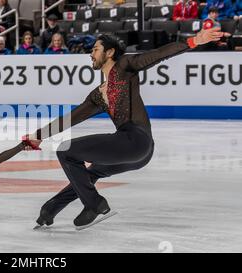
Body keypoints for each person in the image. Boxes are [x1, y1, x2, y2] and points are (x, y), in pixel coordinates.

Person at [24, 27, 225, 229]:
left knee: (66, 151)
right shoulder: (99, 95)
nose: (90, 54)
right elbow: (70, 118)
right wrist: (38, 136)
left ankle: (95, 204)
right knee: (90, 173)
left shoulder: (124, 66)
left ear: (110, 52)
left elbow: (157, 55)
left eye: (95, 49)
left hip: (136, 140)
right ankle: (51, 209)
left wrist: (194, 40)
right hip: (139, 154)